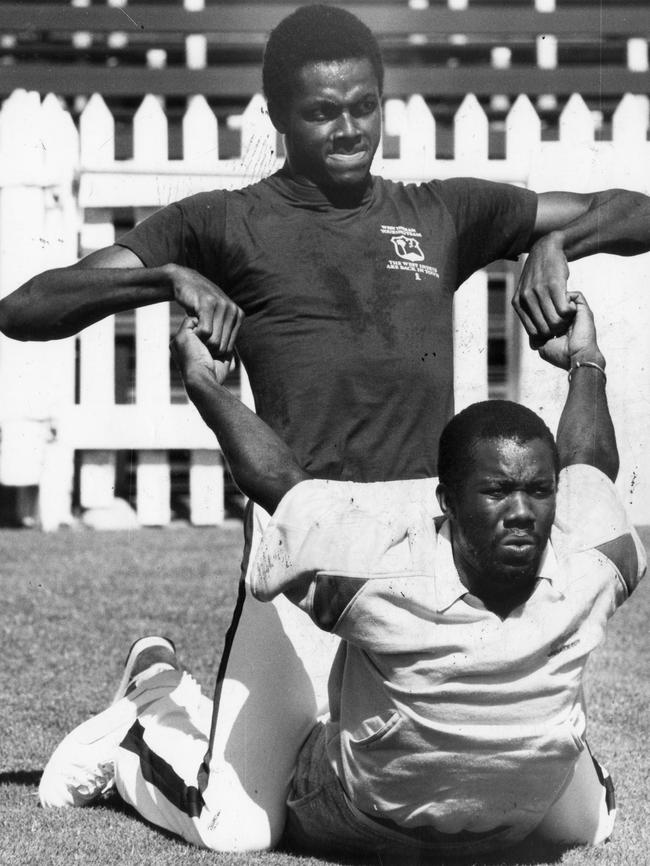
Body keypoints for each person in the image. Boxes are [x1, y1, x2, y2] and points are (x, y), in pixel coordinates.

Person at [4, 0, 649, 848]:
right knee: (239, 829)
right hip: (304, 554)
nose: (348, 128)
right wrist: (164, 279)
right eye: (321, 111)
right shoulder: (223, 223)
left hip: (424, 569)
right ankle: (147, 718)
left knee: (552, 816)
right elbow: (26, 308)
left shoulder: (437, 212)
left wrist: (560, 242)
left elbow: (633, 208)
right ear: (277, 115)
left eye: (363, 106)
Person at [39, 291, 645, 858]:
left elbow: (590, 473)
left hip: (513, 815)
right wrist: (202, 382)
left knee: (590, 826)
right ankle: (149, 707)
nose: (521, 513)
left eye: (539, 491)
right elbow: (279, 483)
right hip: (356, 811)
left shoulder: (594, 559)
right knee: (236, 828)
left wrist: (587, 361)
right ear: (447, 502)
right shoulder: (379, 576)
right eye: (496, 492)